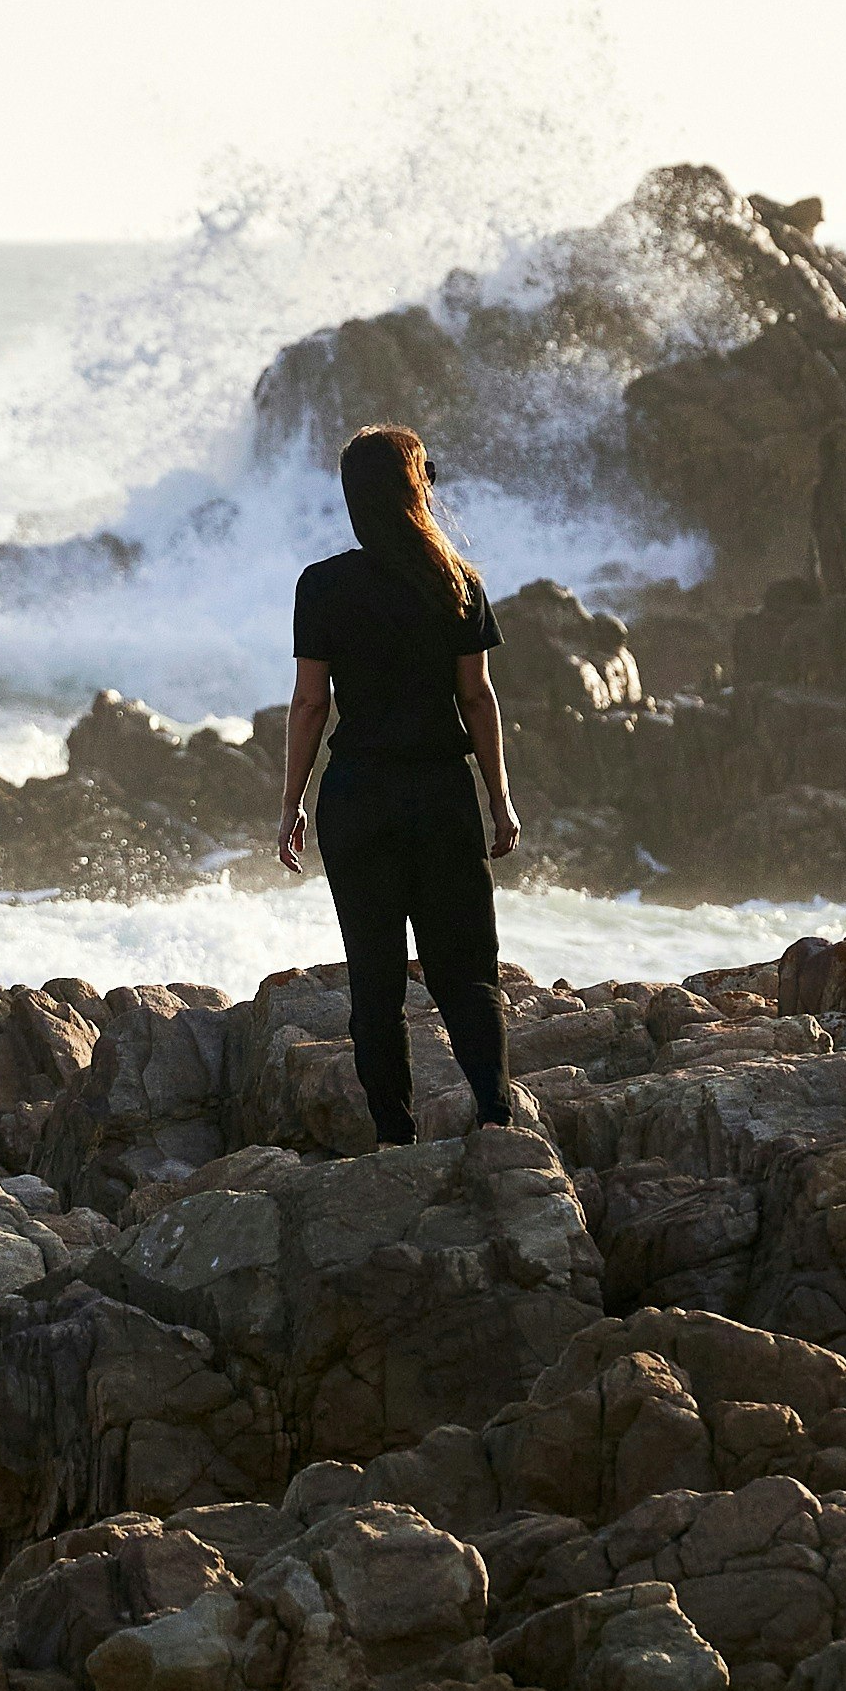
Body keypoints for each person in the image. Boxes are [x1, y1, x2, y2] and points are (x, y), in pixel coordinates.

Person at [276, 420, 521, 1146]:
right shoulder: (457, 581)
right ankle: (495, 1118)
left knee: (374, 977)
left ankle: (394, 1137)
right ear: (418, 489)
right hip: (441, 794)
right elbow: (476, 698)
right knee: (466, 968)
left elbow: (310, 703)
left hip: (358, 798)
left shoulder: (323, 585)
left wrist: (291, 803)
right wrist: (500, 799)